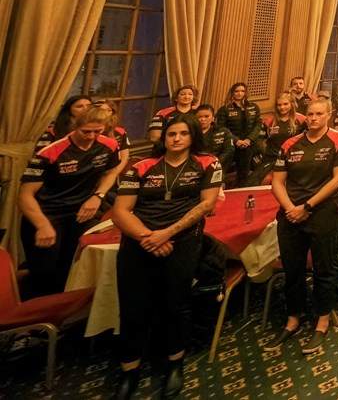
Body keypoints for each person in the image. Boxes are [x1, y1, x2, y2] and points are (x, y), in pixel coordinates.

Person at [112, 115, 222, 399]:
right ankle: (129, 370)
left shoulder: (207, 163)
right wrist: (148, 237)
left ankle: (175, 364)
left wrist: (167, 233)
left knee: (176, 306)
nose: (176, 138)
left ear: (192, 136)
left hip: (182, 242)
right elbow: (121, 211)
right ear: (163, 138)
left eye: (183, 133)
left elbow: (207, 203)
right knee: (134, 309)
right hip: (139, 243)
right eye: (171, 133)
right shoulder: (141, 167)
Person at [266, 98, 338, 354]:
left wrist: (308, 207)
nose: (313, 118)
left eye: (318, 114)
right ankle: (293, 319)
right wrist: (292, 209)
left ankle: (322, 320)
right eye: (310, 114)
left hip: (323, 213)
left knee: (324, 269)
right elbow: (278, 182)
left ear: (328, 115)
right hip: (291, 214)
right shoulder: (290, 144)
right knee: (293, 271)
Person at [19, 106, 121, 299]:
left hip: (81, 214)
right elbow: (24, 195)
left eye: (97, 132)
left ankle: (58, 320)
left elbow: (111, 172)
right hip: (47, 215)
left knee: (68, 269)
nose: (91, 136)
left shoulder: (108, 145)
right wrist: (42, 225)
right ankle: (27, 322)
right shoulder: (51, 152)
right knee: (43, 272)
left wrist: (97, 196)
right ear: (76, 126)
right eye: (86, 131)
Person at [256, 92, 306, 187]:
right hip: (271, 160)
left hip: (293, 160)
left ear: (292, 104)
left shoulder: (301, 119)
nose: (282, 107)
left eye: (285, 104)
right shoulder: (270, 120)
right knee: (263, 183)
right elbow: (260, 140)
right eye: (279, 105)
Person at [217, 83, 262, 187]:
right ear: (232, 93)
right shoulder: (225, 109)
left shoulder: (254, 107)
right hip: (232, 143)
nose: (239, 93)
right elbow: (222, 128)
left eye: (242, 91)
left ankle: (243, 185)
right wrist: (236, 140)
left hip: (250, 143)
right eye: (236, 91)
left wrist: (248, 140)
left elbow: (258, 125)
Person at [195, 104, 236, 172]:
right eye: (200, 117)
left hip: (218, 166)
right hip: (195, 167)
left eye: (206, 116)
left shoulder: (224, 131)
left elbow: (229, 151)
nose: (203, 119)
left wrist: (214, 162)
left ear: (213, 117)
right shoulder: (190, 132)